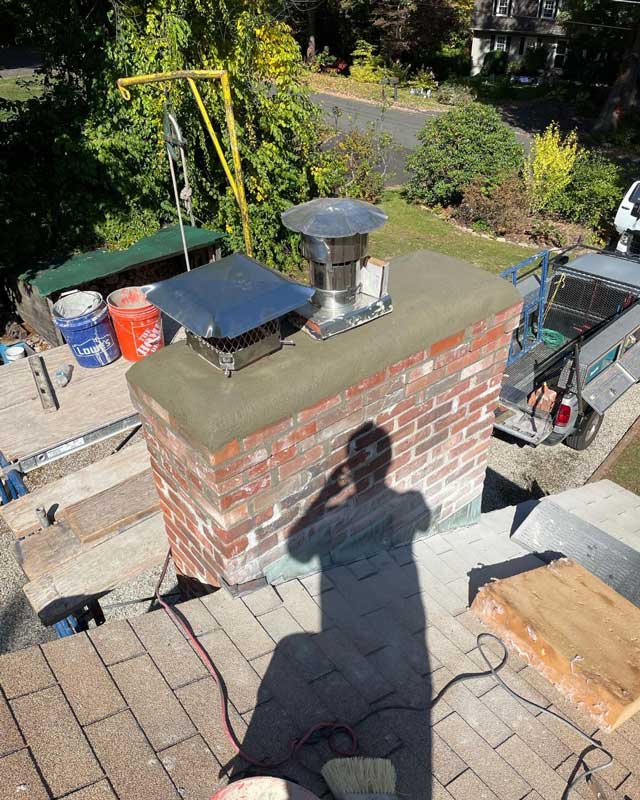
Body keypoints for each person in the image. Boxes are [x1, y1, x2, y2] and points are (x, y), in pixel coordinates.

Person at [233, 422, 435, 798]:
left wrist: (329, 493)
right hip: (391, 613)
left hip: (362, 610)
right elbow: (298, 551)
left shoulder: (403, 502)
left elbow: (298, 549)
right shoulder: (407, 502)